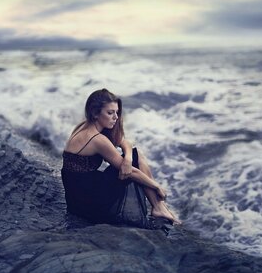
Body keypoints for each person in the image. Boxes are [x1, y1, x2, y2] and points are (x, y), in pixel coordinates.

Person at [61, 88, 180, 226]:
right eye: (110, 113)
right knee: (136, 159)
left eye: (116, 112)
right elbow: (131, 172)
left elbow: (125, 143)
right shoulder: (96, 139)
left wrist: (128, 158)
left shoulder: (84, 126)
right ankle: (159, 207)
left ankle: (159, 207)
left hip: (77, 197)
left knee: (134, 155)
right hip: (87, 202)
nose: (115, 117)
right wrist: (156, 186)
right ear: (95, 113)